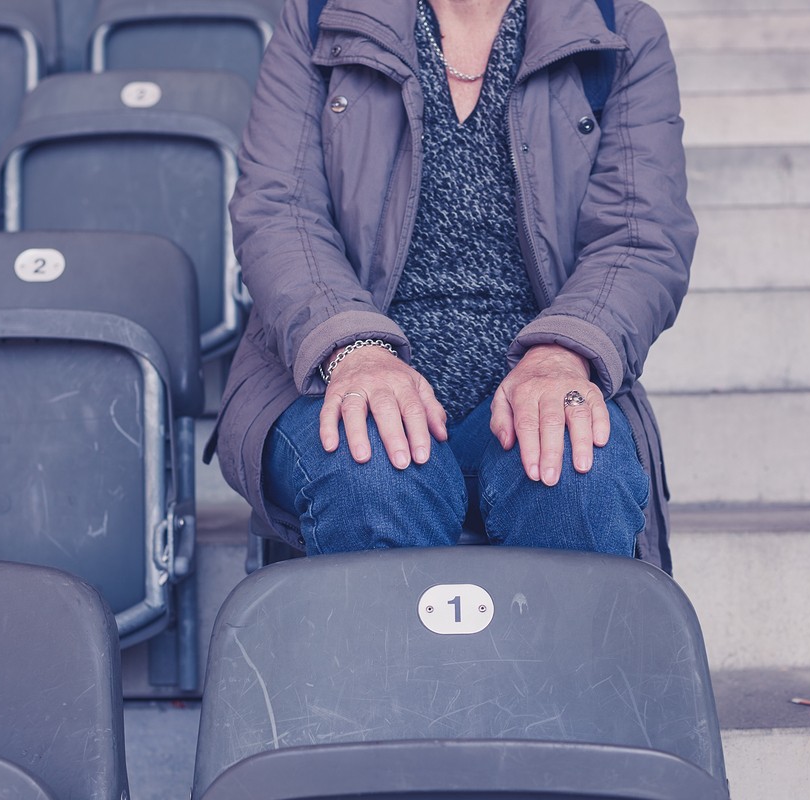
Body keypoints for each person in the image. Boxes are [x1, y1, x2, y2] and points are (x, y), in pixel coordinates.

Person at [209, 0, 695, 573]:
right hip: (336, 367)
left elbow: (641, 234)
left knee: (580, 479)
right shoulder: (323, 15)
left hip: (533, 381)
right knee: (371, 474)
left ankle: (556, 668)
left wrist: (564, 354)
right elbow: (277, 213)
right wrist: (354, 350)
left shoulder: (616, 27)